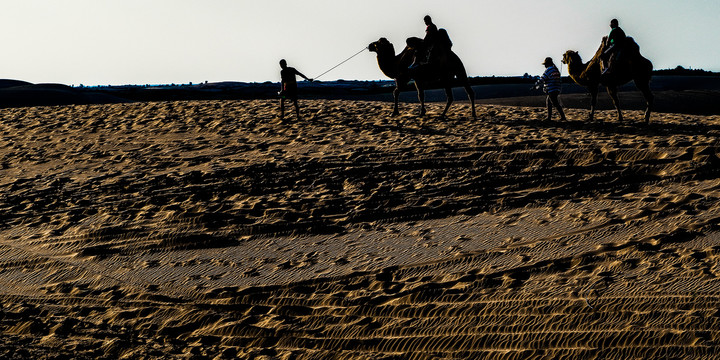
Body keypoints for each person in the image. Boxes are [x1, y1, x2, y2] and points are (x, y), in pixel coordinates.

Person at [533, 57, 566, 122]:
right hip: (557, 88)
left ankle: (563, 117)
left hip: (551, 89)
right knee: (549, 102)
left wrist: (536, 84)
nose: (544, 65)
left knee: (555, 103)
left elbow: (542, 79)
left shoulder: (548, 70)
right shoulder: (556, 70)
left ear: (547, 64)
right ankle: (549, 117)